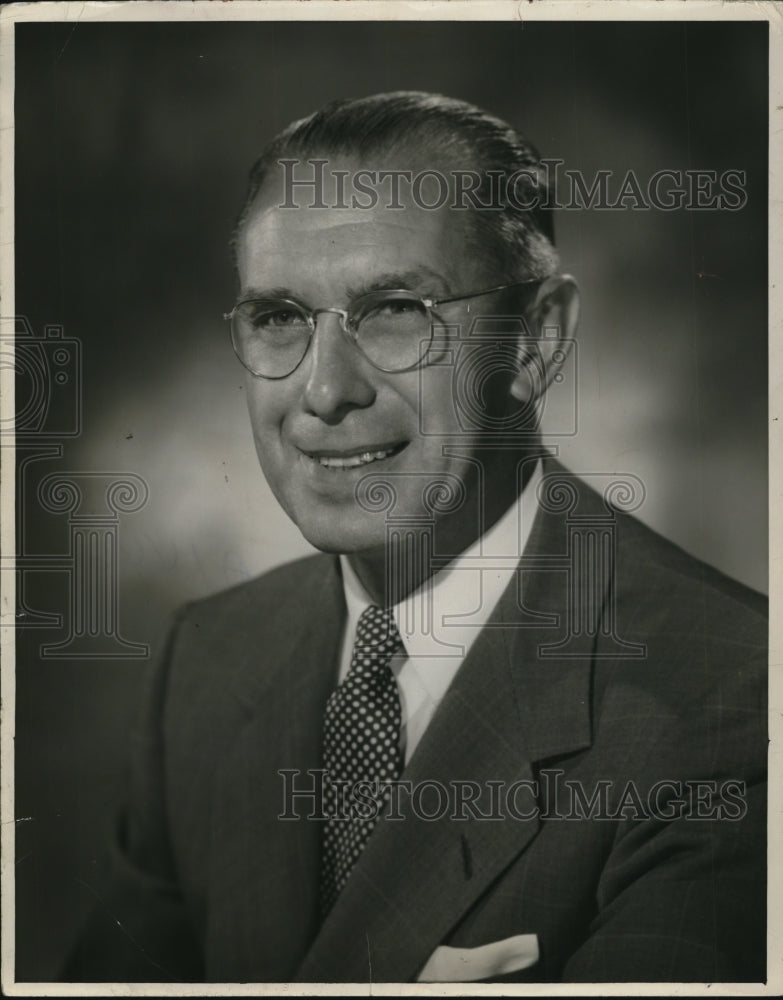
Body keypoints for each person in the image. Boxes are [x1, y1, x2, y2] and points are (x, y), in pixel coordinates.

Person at [63, 92, 767, 984]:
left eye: (394, 309)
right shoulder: (207, 662)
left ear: (536, 340)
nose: (323, 393)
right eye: (279, 317)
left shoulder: (731, 709)